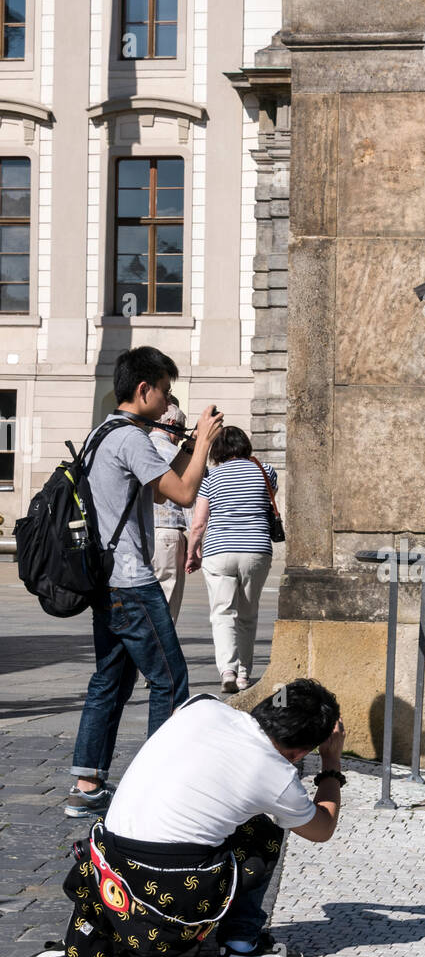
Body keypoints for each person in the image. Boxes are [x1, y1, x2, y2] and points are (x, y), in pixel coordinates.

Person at [21, 679, 345, 957]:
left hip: (106, 866)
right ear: (299, 753)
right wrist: (331, 762)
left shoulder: (202, 706)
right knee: (263, 830)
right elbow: (321, 828)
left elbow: (185, 721)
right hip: (169, 900)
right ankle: (242, 946)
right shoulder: (275, 774)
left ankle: (94, 938)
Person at [65, 347, 223, 819]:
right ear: (144, 389)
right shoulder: (132, 438)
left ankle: (86, 784)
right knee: (170, 680)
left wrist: (191, 443)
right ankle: (155, 788)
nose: (168, 399)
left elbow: (161, 483)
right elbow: (184, 490)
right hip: (132, 581)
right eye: (166, 391)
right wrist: (205, 443)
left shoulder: (101, 434)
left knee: (109, 681)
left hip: (104, 580)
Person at [186, 426, 278, 695]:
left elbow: (199, 523)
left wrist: (193, 552)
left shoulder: (211, 477)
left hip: (219, 551)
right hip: (256, 549)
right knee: (248, 615)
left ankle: (228, 670)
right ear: (245, 445)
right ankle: (244, 675)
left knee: (223, 613)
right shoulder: (266, 471)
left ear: (217, 450)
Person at [150, 400, 191, 622]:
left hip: (139, 535)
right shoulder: (177, 455)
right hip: (168, 534)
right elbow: (190, 503)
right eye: (181, 432)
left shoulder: (139, 448)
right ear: (172, 423)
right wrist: (195, 545)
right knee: (166, 605)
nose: (180, 437)